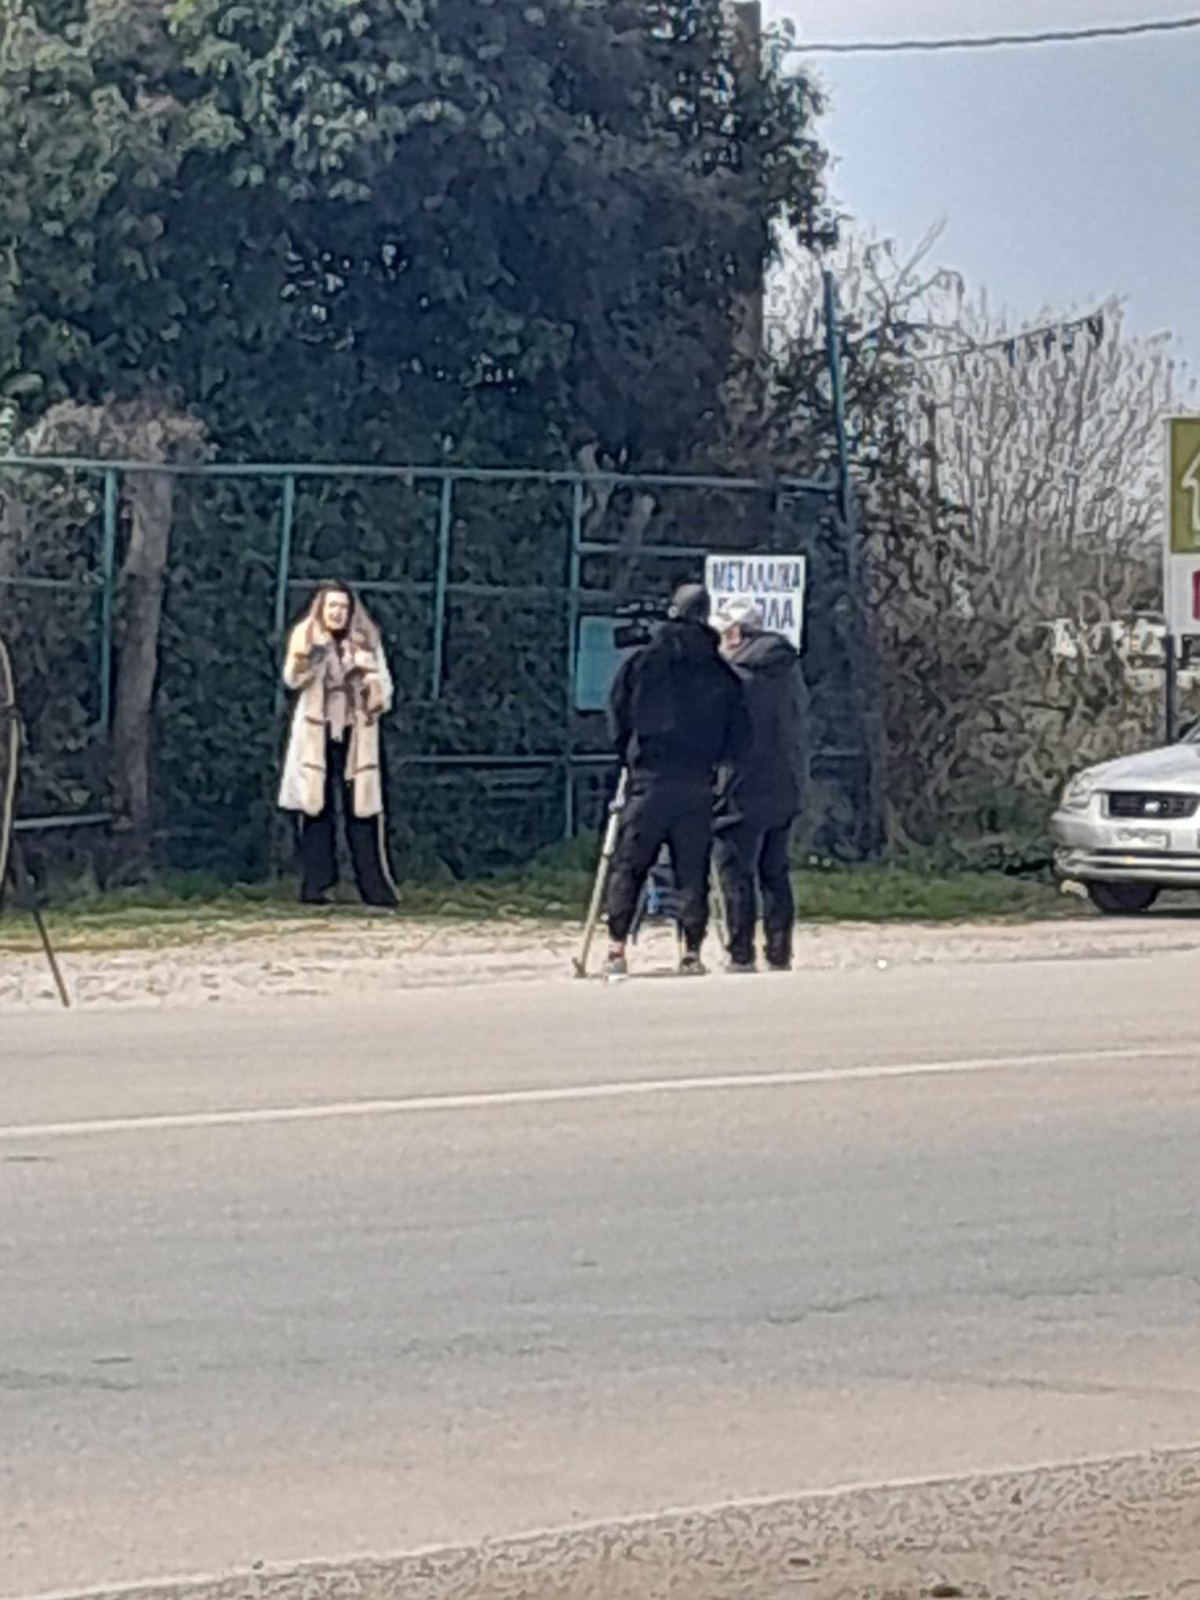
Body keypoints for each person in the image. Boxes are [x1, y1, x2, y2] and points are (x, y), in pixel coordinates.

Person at [605, 583, 748, 980]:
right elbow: (739, 735)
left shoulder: (642, 663)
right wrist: (719, 766)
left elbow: (617, 714)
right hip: (696, 782)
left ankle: (616, 947)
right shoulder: (721, 673)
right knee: (692, 871)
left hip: (649, 778)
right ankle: (690, 951)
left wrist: (628, 756)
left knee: (629, 865)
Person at [278, 580, 399, 908]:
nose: (337, 613)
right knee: (316, 809)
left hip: (355, 736)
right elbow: (291, 678)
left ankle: (374, 889)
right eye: (332, 606)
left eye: (343, 607)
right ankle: (317, 886)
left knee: (362, 811)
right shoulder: (306, 636)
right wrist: (311, 660)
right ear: (322, 608)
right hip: (316, 736)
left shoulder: (366, 640)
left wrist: (368, 686)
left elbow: (385, 690)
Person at [712, 595, 808, 972]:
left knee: (736, 871)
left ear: (735, 634)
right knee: (775, 871)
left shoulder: (736, 678)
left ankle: (741, 952)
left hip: (742, 786)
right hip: (786, 783)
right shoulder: (789, 672)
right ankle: (780, 951)